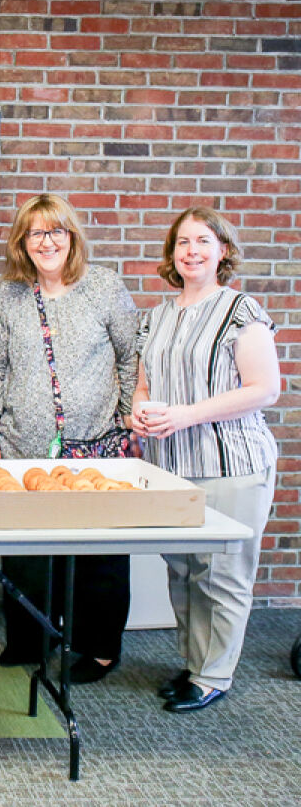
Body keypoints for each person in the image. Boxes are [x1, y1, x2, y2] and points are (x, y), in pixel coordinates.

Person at [0, 194, 138, 683]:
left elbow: (132, 357)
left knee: (99, 559)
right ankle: (30, 640)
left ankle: (99, 649)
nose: (47, 242)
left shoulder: (104, 288)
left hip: (98, 449)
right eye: (36, 233)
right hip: (24, 448)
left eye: (57, 231)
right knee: (27, 554)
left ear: (72, 237)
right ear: (23, 242)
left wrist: (127, 422)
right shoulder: (9, 296)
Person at [132, 207, 280, 712]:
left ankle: (214, 675)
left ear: (222, 251)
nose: (191, 251)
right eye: (182, 243)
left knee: (223, 574)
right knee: (184, 571)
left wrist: (186, 414)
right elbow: (145, 384)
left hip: (231, 464)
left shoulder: (242, 310)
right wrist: (139, 412)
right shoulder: (154, 316)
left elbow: (265, 389)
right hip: (169, 466)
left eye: (202, 241)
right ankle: (193, 664)